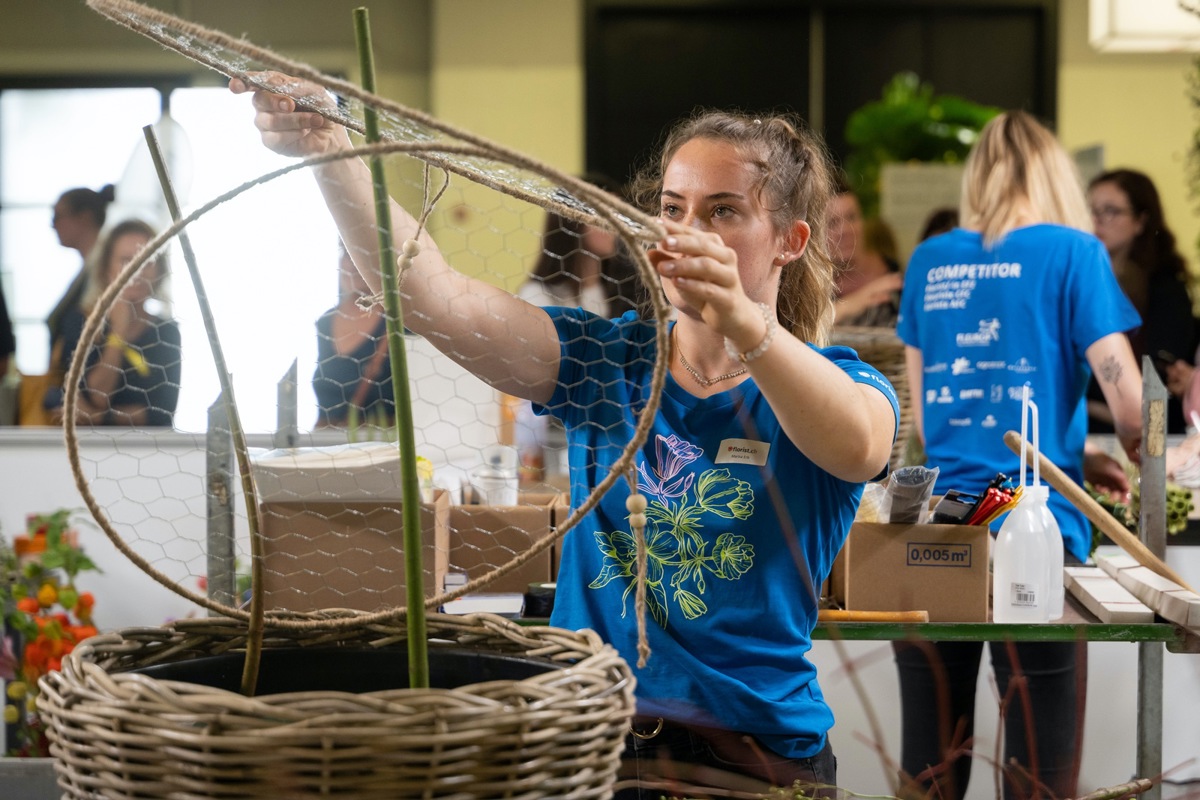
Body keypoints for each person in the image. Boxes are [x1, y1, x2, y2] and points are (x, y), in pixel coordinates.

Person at [232, 74, 899, 797]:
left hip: (755, 760)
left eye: (725, 211)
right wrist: (331, 149)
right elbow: (432, 295)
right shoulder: (605, 360)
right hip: (590, 743)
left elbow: (859, 446)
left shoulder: (838, 383)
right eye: (673, 208)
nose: (686, 231)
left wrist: (745, 322)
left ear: (790, 241)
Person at [894, 111, 1143, 800]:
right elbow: (1131, 411)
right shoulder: (1075, 252)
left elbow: (932, 420)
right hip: (1029, 523)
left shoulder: (929, 260)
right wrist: (1136, 449)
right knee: (1038, 768)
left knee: (932, 762)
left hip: (948, 517)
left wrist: (1069, 454)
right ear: (1054, 175)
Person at [1087, 169, 1195, 434]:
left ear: (1140, 221)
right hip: (1090, 430)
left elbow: (1160, 385)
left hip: (1152, 434)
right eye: (1090, 210)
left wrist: (1083, 407)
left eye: (1110, 210)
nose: (1097, 221)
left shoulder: (1166, 288)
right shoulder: (1082, 281)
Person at [53, 219, 181, 427]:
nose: (137, 270)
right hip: (84, 450)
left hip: (150, 452)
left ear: (159, 270)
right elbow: (96, 396)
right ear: (105, 268)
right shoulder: (80, 324)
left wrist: (98, 417)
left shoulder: (166, 332)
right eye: (125, 260)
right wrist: (118, 332)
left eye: (147, 260)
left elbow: (162, 414)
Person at [312, 240, 395, 428]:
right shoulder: (326, 322)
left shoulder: (398, 320)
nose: (352, 264)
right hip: (329, 445)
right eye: (346, 254)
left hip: (381, 446)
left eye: (362, 255)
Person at [828, 176, 903, 327]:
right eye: (832, 223)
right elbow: (794, 333)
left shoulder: (895, 278)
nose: (845, 230)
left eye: (852, 218)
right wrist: (849, 305)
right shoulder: (810, 286)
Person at [47, 185, 115, 349]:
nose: (52, 225)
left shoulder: (106, 270)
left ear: (84, 217)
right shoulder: (90, 268)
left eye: (57, 217)